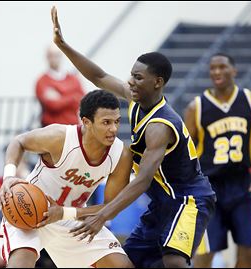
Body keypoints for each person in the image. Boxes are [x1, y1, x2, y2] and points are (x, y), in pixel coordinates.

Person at [49, 6, 216, 268]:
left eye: (138, 77)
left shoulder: (160, 126)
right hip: (162, 201)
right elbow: (99, 76)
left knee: (173, 261)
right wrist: (63, 45)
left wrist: (103, 215)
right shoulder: (135, 98)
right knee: (130, 263)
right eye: (131, 75)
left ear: (157, 82)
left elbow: (142, 180)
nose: (131, 81)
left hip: (187, 200)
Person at [0, 90, 134, 268]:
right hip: (29, 209)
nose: (114, 129)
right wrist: (8, 177)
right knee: (20, 264)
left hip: (72, 216)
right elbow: (19, 141)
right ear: (86, 122)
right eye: (106, 122)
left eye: (117, 121)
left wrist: (64, 213)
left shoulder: (121, 155)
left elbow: (111, 207)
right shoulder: (60, 138)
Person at [184, 53, 251, 268]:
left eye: (222, 67)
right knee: (205, 253)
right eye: (213, 68)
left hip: (242, 187)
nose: (217, 72)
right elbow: (185, 153)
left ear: (234, 70)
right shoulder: (196, 107)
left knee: (248, 251)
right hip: (210, 190)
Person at [35, 43, 86, 127]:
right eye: (51, 55)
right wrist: (73, 97)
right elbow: (52, 105)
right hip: (51, 129)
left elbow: (83, 100)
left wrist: (61, 98)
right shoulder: (41, 81)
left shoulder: (73, 79)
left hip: (73, 127)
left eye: (57, 55)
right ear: (47, 57)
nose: (54, 59)